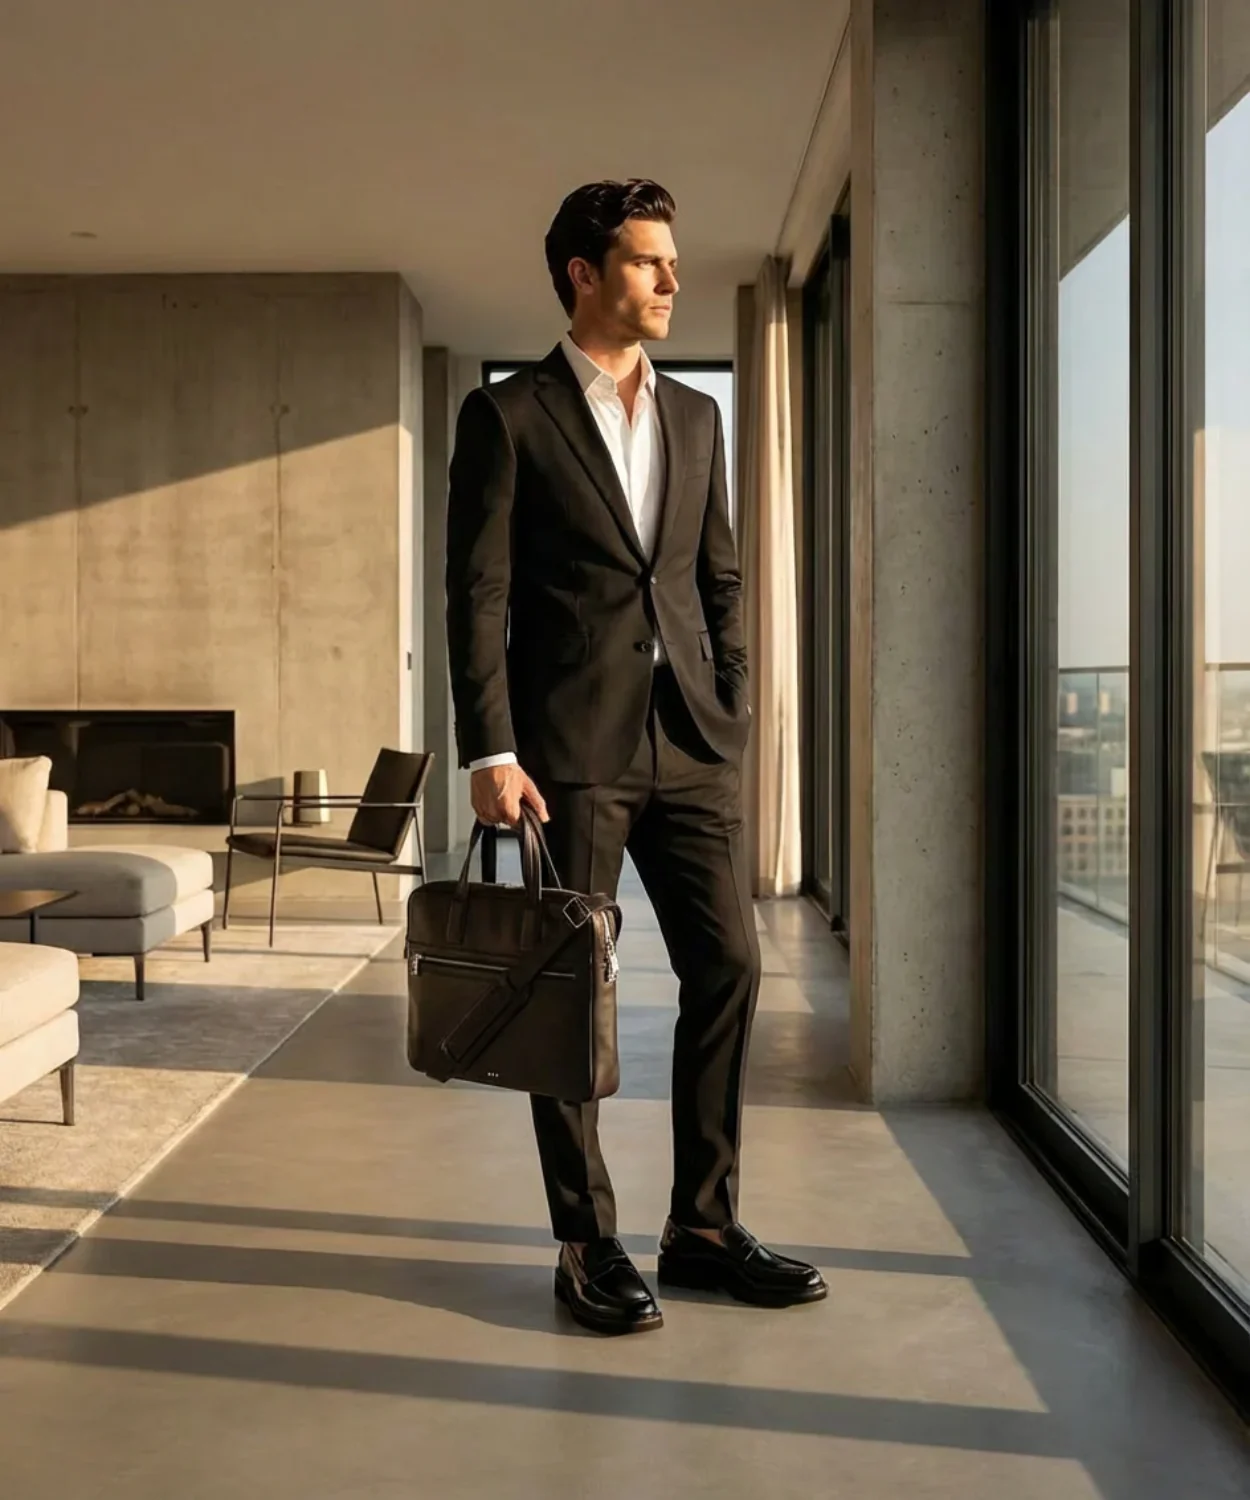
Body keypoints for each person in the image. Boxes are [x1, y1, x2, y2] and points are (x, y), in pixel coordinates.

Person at [445, 179, 826, 1334]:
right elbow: (480, 593)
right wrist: (492, 748)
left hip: (690, 746)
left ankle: (702, 1229)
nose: (670, 281)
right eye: (648, 263)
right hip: (566, 758)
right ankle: (584, 1239)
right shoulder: (508, 416)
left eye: (671, 263)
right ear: (583, 275)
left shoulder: (698, 417)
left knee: (729, 969)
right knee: (572, 996)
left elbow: (716, 575)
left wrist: (735, 705)